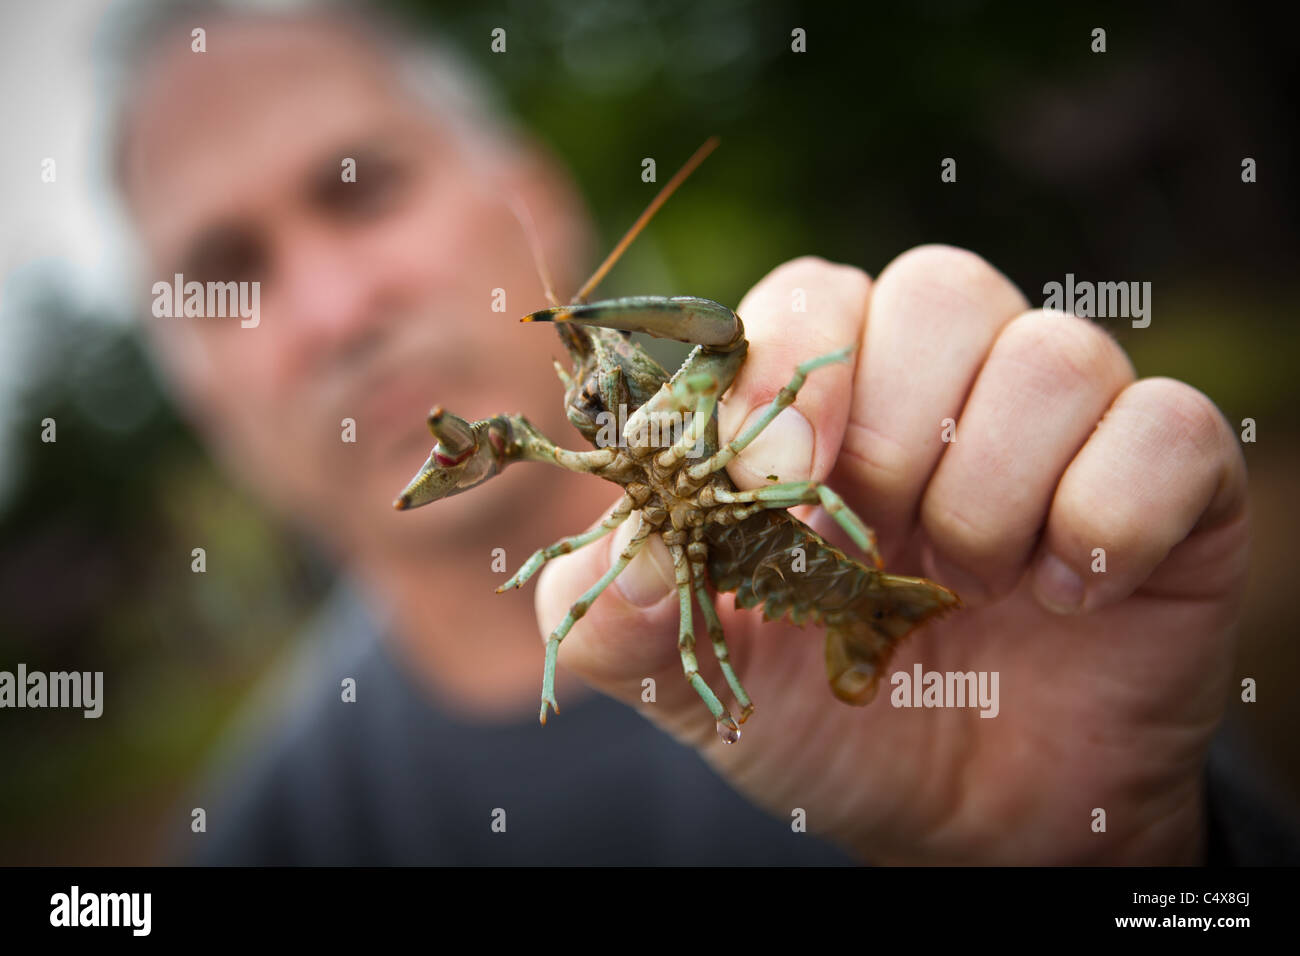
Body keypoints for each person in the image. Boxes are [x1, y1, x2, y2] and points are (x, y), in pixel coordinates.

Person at [106, 1, 1297, 864]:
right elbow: (564, 565)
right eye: (228, 272)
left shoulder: (899, 534)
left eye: (360, 185)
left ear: (532, 197)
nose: (332, 310)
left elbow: (752, 363)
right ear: (195, 387)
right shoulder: (263, 837)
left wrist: (1128, 858)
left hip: (810, 560)